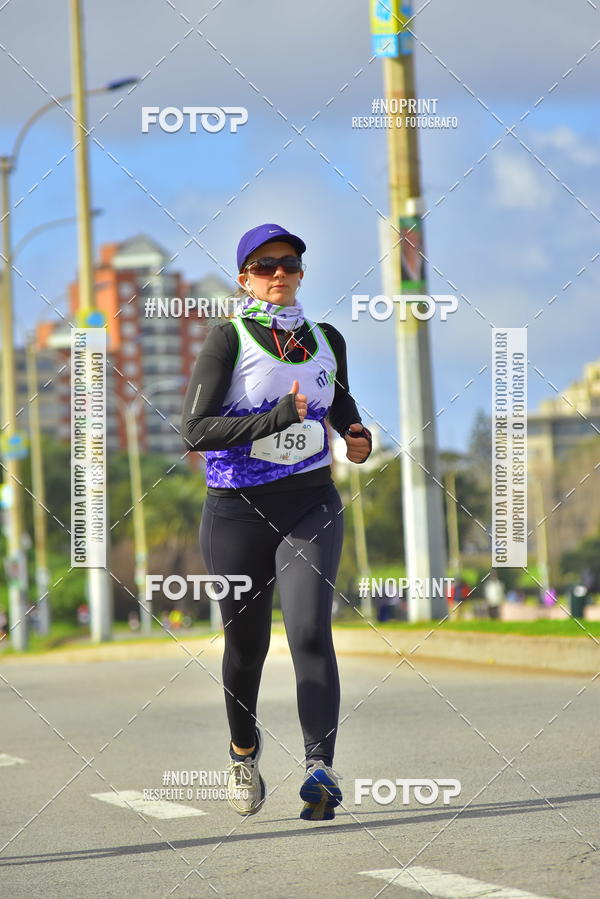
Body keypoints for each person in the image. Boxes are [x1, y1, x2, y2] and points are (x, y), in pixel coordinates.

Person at [182, 223, 372, 822]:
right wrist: (273, 418)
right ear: (245, 279)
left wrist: (355, 432)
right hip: (237, 511)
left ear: (301, 272)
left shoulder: (326, 337)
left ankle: (321, 769)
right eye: (265, 266)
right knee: (247, 646)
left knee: (311, 631)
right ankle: (244, 753)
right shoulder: (226, 341)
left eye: (289, 263)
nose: (280, 274)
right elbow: (196, 430)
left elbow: (335, 397)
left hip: (310, 502)